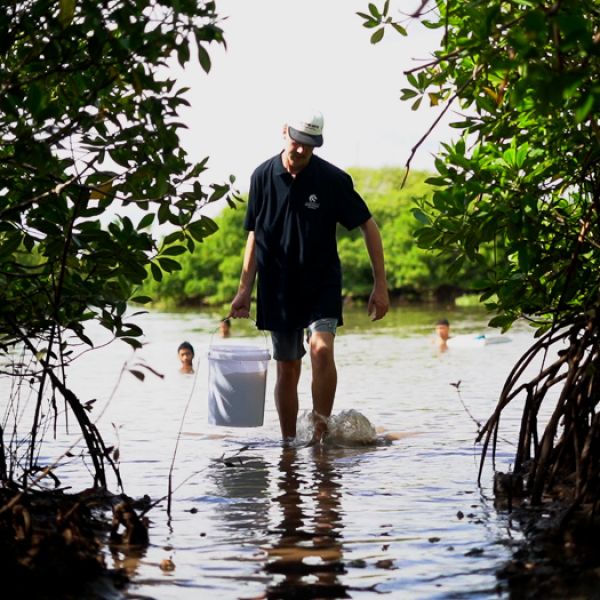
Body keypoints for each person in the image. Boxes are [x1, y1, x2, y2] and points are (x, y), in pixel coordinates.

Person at [229, 108, 389, 443]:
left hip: (321, 283)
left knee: (320, 350)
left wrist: (380, 284)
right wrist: (245, 289)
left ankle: (320, 434)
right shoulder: (261, 176)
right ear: (284, 132)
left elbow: (368, 226)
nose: (301, 150)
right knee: (287, 366)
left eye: (310, 145)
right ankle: (289, 443)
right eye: (297, 142)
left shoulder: (332, 180)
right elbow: (254, 235)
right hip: (277, 288)